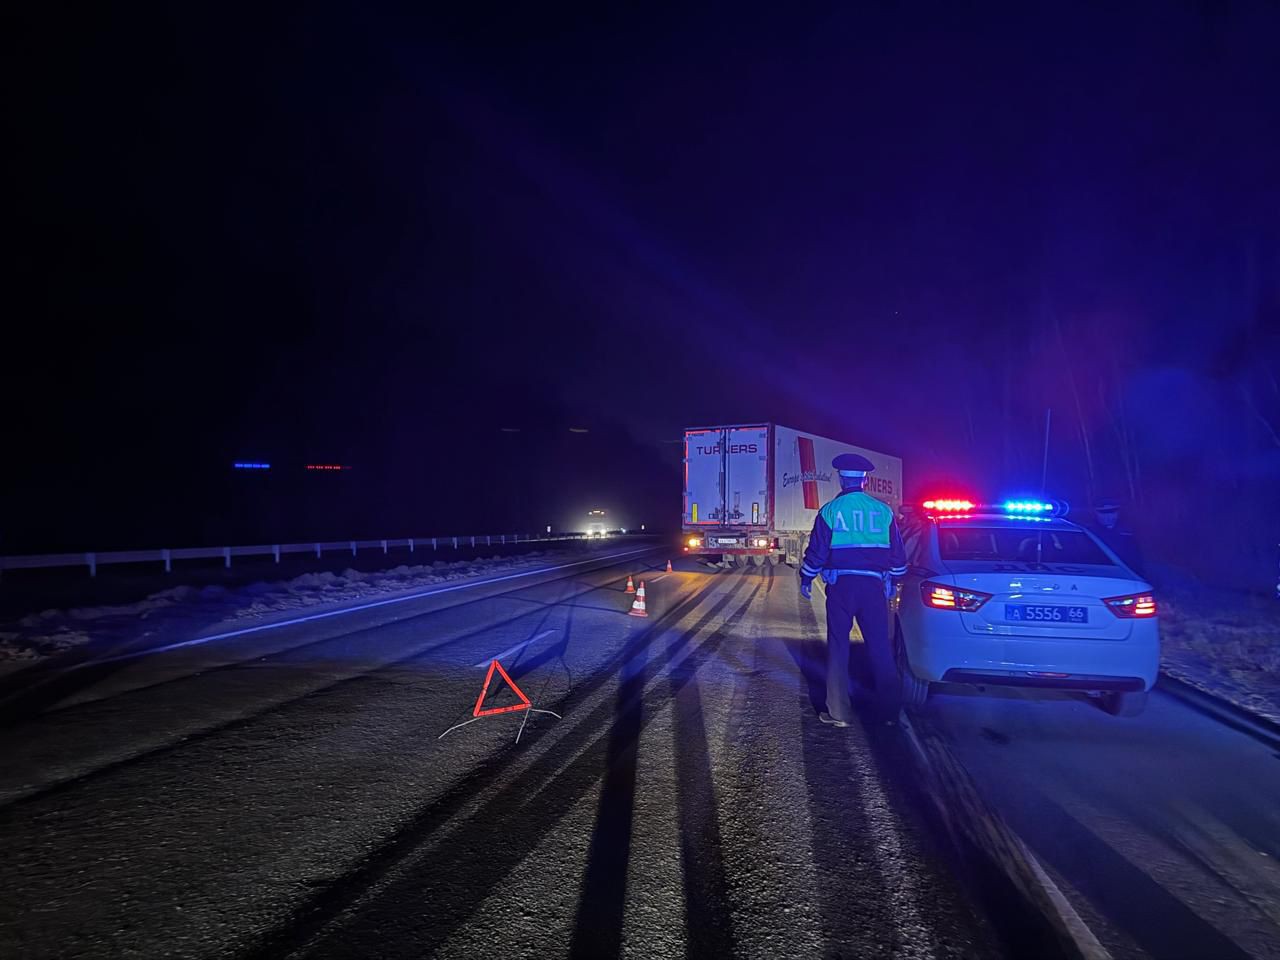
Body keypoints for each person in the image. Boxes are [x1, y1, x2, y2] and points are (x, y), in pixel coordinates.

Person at [799, 454, 908, 727]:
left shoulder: (830, 511)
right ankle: (890, 714)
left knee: (838, 647)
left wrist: (806, 578)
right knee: (880, 648)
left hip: (841, 587)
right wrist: (894, 581)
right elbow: (898, 556)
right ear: (864, 480)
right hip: (873, 588)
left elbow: (817, 552)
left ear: (840, 478)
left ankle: (838, 712)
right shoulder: (883, 512)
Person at [1089, 497, 1144, 575]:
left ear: (1118, 513)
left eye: (1112, 512)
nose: (1108, 516)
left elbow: (1136, 557)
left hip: (1125, 573)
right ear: (1096, 513)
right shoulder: (1089, 532)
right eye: (1103, 513)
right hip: (1099, 573)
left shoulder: (1128, 532)